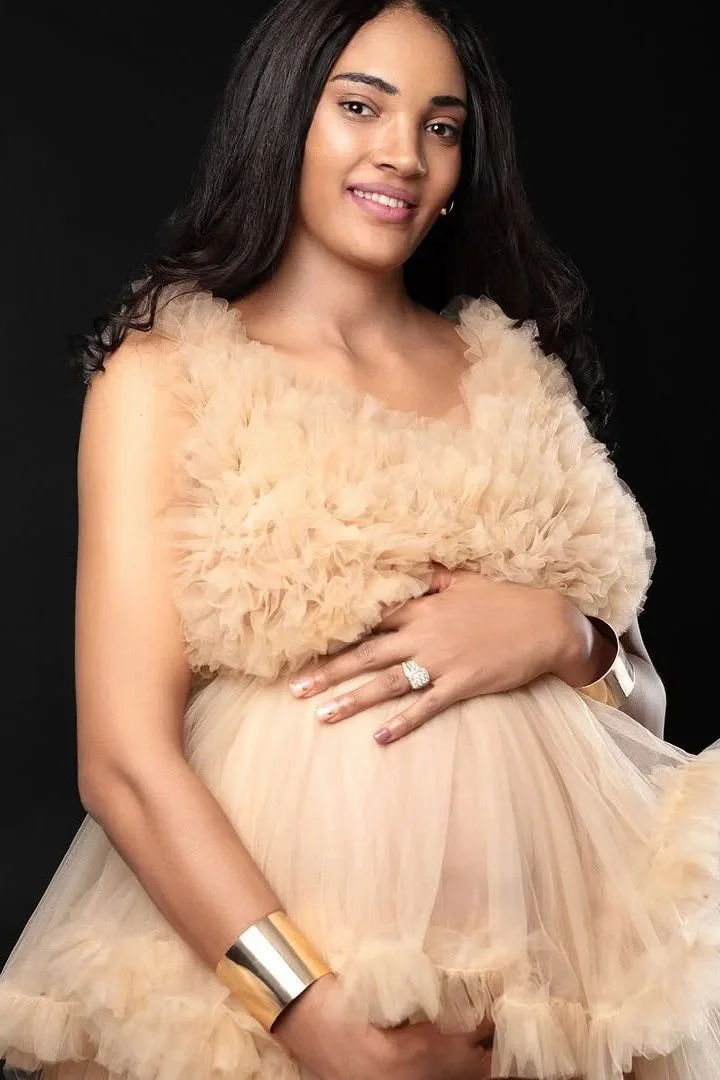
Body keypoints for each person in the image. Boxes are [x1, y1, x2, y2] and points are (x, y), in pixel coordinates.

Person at [1, 1, 718, 1078]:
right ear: (282, 119)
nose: (404, 153)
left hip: (549, 987)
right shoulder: (167, 376)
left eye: (442, 125)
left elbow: (642, 729)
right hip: (287, 983)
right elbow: (123, 761)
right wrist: (307, 1013)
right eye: (359, 107)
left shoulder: (515, 375)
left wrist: (564, 636)